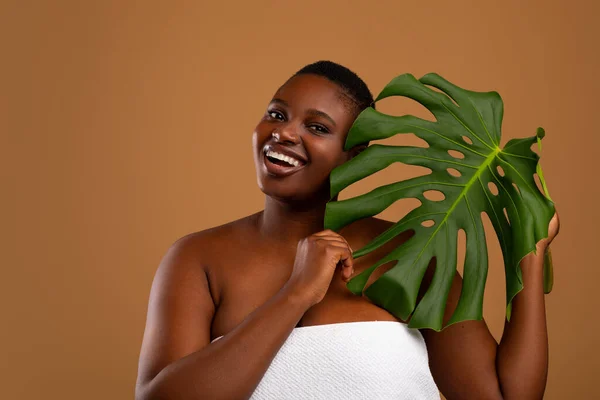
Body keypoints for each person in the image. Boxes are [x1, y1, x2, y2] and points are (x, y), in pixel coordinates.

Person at [135, 61, 560, 400]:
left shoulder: (410, 253)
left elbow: (505, 397)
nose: (283, 132)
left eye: (317, 128)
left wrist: (531, 251)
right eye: (276, 114)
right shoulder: (198, 258)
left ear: (354, 155)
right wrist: (297, 294)